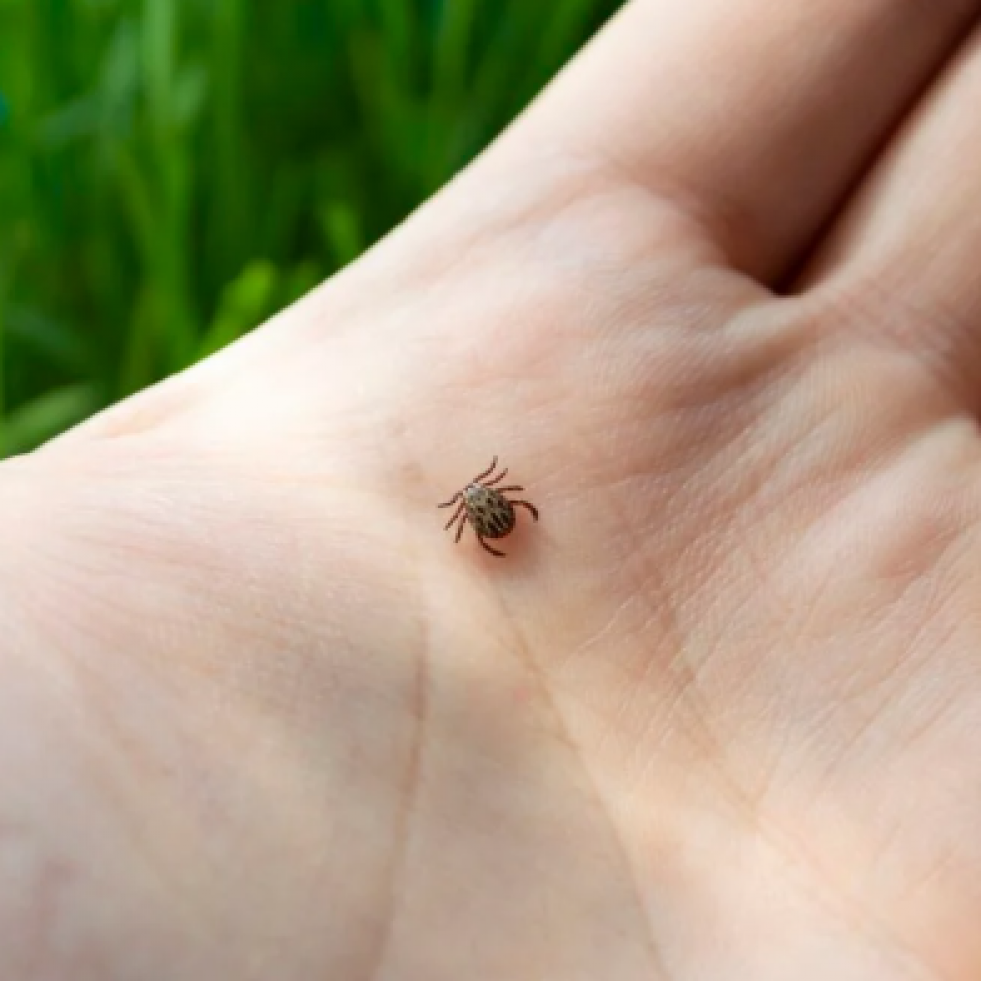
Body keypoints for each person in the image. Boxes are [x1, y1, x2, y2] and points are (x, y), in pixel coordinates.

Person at [4, 0, 981, 976]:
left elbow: (492, 522)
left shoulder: (476, 510)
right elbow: (501, 518)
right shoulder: (487, 508)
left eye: (483, 505)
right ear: (482, 507)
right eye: (482, 508)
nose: (483, 509)